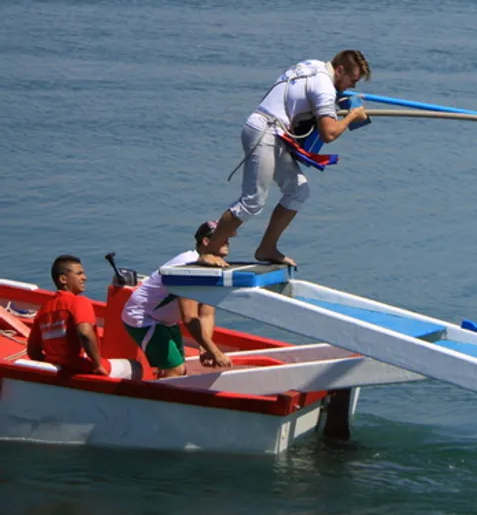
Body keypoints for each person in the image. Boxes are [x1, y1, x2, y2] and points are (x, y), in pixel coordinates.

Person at [199, 50, 371, 268]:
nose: (354, 86)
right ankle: (210, 250)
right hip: (265, 131)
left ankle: (266, 248)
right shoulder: (325, 87)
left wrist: (339, 100)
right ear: (339, 71)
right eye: (352, 80)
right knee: (252, 201)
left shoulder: (313, 65)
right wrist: (353, 115)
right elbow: (328, 134)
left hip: (274, 131)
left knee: (299, 191)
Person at [121, 221, 237, 378]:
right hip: (143, 318)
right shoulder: (186, 266)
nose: (227, 242)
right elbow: (189, 317)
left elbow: (206, 314)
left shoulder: (215, 269)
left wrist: (205, 347)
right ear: (206, 242)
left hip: (166, 320)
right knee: (176, 370)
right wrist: (215, 351)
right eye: (223, 238)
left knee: (178, 368)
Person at [27, 255, 110, 376]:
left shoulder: (43, 310)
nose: (84, 278)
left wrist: (52, 364)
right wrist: (97, 365)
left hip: (57, 369)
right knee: (134, 366)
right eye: (79, 274)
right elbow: (85, 333)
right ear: (63, 279)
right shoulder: (79, 302)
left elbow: (33, 352)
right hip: (82, 366)